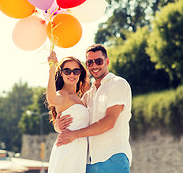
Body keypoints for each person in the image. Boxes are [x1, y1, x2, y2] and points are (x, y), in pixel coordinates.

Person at [56, 44, 132, 173]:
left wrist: (73, 135)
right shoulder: (87, 95)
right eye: (90, 62)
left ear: (106, 61)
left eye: (98, 61)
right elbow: (76, 120)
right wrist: (58, 126)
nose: (94, 66)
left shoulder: (118, 84)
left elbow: (108, 122)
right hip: (89, 162)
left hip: (113, 157)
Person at [45, 51, 90, 173]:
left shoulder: (81, 98)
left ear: (80, 73)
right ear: (61, 73)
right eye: (67, 71)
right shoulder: (62, 95)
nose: (72, 74)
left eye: (76, 71)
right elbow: (52, 99)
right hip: (67, 150)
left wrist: (57, 126)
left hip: (80, 153)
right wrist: (51, 69)